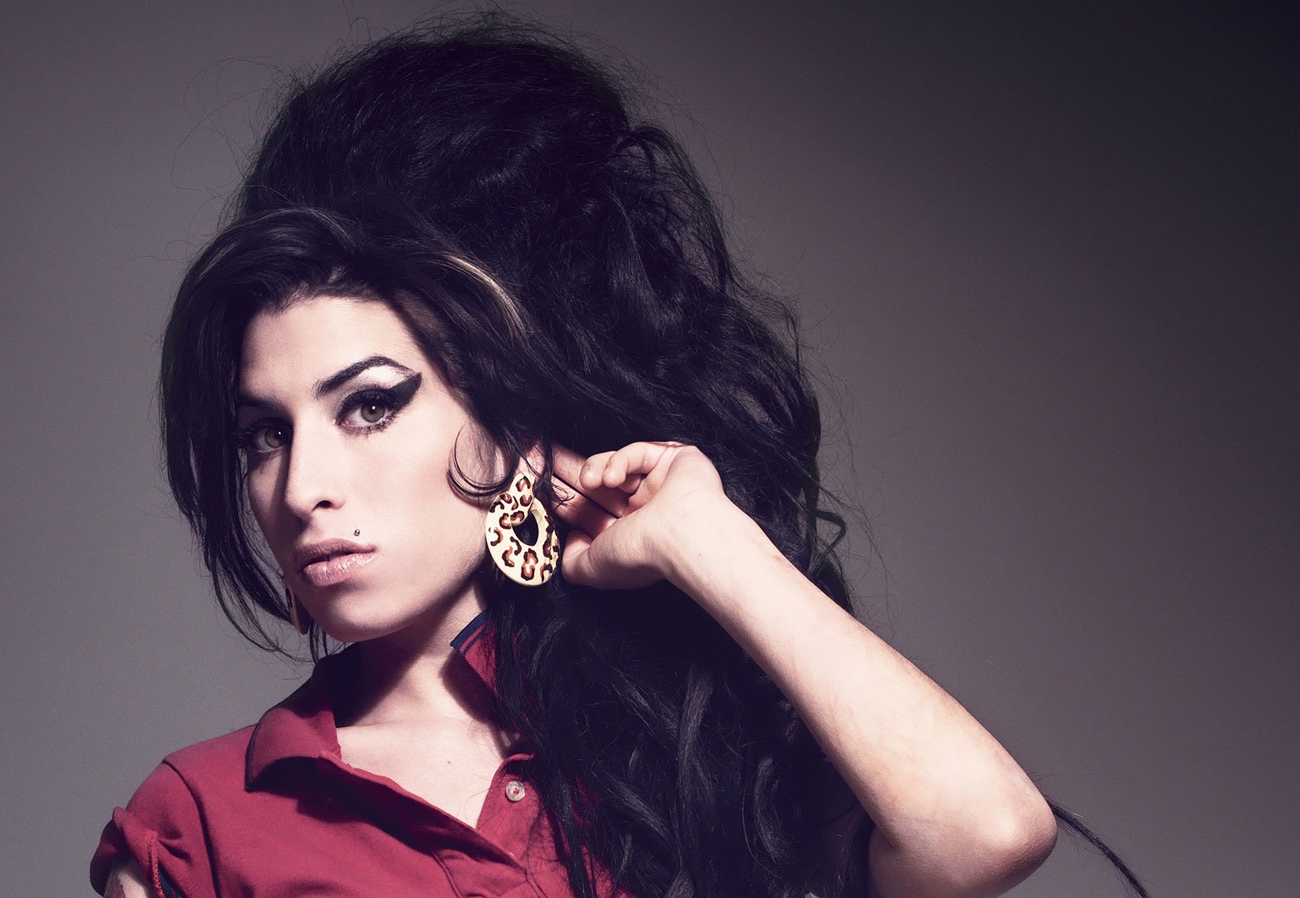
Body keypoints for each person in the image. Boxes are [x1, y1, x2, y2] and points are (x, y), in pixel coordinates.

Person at [92, 16, 1147, 898]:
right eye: (266, 434)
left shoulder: (685, 760)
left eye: (369, 407)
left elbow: (986, 833)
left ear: (510, 418)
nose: (302, 487)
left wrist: (707, 541)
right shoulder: (199, 823)